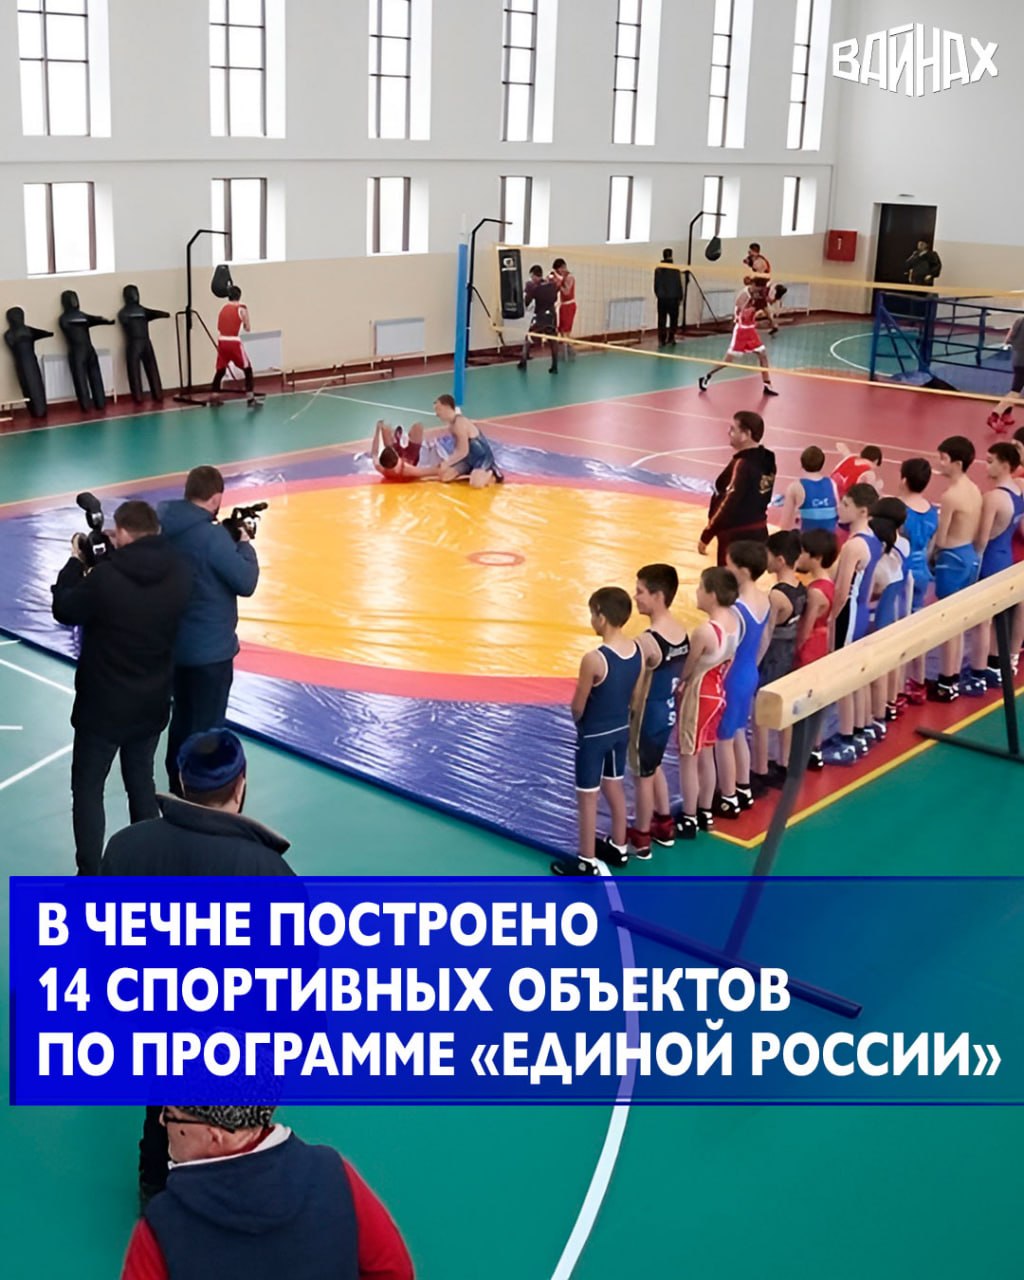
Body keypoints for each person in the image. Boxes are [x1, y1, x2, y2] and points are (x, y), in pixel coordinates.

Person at [101, 729, 293, 1205]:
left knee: (163, 1104)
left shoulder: (125, 847)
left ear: (182, 781)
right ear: (240, 784)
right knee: (234, 1130)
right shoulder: (272, 876)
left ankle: (155, 1187)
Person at [51, 500, 192, 875]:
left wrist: (77, 562)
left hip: (102, 707)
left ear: (123, 533)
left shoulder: (106, 579)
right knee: (141, 783)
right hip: (152, 701)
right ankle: (147, 867)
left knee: (88, 789)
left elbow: (65, 608)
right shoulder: (180, 571)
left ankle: (90, 874)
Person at [120, 1104, 414, 1280]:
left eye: (171, 1114)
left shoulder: (162, 1227)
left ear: (215, 1134)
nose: (162, 1121)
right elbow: (394, 1271)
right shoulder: (335, 1173)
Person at [159, 466, 260, 795]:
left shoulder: (164, 525)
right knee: (207, 729)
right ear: (216, 498)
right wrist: (244, 545)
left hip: (176, 645)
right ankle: (203, 795)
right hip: (210, 652)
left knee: (182, 718)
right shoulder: (212, 538)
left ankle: (177, 786)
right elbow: (245, 582)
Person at [552, 587, 642, 877]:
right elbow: (635, 697)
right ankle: (619, 845)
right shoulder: (637, 651)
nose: (591, 620)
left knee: (587, 796)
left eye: (592, 614)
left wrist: (580, 724)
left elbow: (578, 705)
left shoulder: (594, 659)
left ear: (601, 617)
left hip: (594, 735)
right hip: (620, 729)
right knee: (614, 785)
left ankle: (586, 860)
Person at [626, 564, 689, 858]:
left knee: (642, 776)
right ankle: (663, 823)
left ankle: (641, 836)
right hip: (667, 711)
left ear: (658, 596)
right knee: (655, 766)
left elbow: (634, 686)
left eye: (640, 591)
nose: (635, 597)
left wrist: (625, 712)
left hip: (647, 715)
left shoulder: (647, 641)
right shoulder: (681, 632)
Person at [675, 567, 740, 839]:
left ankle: (689, 817)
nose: (697, 593)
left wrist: (680, 686)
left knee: (688, 757)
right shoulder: (735, 622)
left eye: (700, 588)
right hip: (718, 692)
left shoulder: (705, 631)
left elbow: (688, 669)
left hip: (700, 695)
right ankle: (705, 811)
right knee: (707, 752)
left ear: (712, 594)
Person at [714, 540, 772, 817]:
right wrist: (752, 666)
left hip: (733, 675)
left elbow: (726, 648)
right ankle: (744, 787)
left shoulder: (736, 608)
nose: (726, 570)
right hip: (750, 671)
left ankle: (728, 796)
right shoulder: (765, 599)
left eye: (729, 565)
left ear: (744, 571)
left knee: (723, 737)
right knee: (739, 730)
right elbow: (765, 638)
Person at [829, 483, 883, 762]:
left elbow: (841, 589)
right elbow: (870, 583)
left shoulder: (853, 545)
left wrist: (831, 618)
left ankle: (847, 739)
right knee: (858, 673)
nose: (840, 507)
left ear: (862, 511)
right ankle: (861, 729)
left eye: (846, 505)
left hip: (848, 612)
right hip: (860, 610)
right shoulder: (873, 539)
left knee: (844, 676)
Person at [750, 530, 806, 791]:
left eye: (768, 555)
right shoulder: (801, 589)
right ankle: (784, 762)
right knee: (786, 711)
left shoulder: (776, 595)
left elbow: (767, 633)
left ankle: (761, 769)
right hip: (788, 653)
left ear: (780, 560)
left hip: (772, 656)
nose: (766, 560)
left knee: (760, 715)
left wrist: (754, 663)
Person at [967, 442, 1024, 688]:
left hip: (990, 558)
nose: (986, 466)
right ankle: (996, 664)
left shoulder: (993, 498)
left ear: (1005, 465)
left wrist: (972, 563)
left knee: (983, 620)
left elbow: (982, 538)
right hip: (1006, 557)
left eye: (991, 462)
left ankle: (978, 673)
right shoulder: (1019, 492)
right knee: (999, 616)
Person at [931, 435, 983, 702]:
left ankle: (946, 680)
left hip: (951, 559)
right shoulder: (974, 489)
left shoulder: (950, 496)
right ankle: (952, 676)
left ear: (957, 463)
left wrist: (931, 554)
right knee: (960, 621)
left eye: (943, 459)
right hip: (969, 555)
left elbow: (941, 538)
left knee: (948, 622)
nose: (939, 463)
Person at [698, 410, 777, 565]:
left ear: (746, 434)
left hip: (736, 538)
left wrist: (708, 533)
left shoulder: (742, 464)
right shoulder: (768, 460)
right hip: (759, 533)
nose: (729, 432)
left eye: (733, 429)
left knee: (728, 578)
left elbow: (729, 502)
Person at [794, 528, 838, 770]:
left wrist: (796, 649)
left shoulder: (815, 591)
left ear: (816, 557)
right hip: (822, 642)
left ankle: (804, 749)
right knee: (816, 700)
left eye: (803, 552)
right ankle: (815, 747)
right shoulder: (829, 583)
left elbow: (806, 627)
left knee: (803, 700)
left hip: (810, 647)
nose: (800, 556)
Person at [898, 456, 940, 704]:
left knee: (899, 628)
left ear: (904, 479)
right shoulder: (931, 510)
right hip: (922, 570)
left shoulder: (899, 509)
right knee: (918, 623)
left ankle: (897, 687)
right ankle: (919, 680)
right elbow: (932, 545)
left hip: (904, 572)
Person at [868, 497, 911, 723]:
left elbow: (873, 589)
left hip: (878, 616)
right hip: (896, 609)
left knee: (876, 669)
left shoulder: (878, 559)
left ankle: (876, 714)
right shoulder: (904, 545)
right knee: (894, 659)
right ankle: (891, 701)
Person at [697, 291, 779, 396]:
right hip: (741, 332)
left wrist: (770, 321)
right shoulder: (745, 297)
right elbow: (743, 315)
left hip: (751, 332)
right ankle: (707, 376)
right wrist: (756, 313)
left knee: (763, 355)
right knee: (727, 361)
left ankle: (767, 385)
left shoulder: (760, 300)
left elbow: (766, 307)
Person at [434, 394, 504, 485]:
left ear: (447, 407)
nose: (437, 414)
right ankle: (471, 472)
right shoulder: (451, 425)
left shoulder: (459, 423)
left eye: (438, 410)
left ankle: (492, 473)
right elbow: (458, 449)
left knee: (476, 484)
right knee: (445, 477)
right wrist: (449, 463)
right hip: (467, 459)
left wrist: (447, 462)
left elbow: (463, 451)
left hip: (481, 458)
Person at [211, 284, 259, 406]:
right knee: (247, 368)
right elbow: (247, 328)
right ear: (239, 296)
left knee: (220, 369)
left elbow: (219, 327)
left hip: (222, 341)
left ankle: (214, 396)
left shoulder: (223, 309)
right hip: (233, 342)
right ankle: (250, 398)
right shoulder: (242, 308)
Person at [778, 445, 839, 532]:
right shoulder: (832, 484)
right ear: (822, 464)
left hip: (807, 537)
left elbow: (785, 523)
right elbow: (838, 512)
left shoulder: (795, 487)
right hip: (829, 537)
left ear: (802, 463)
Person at [518, 264, 560, 373]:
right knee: (553, 340)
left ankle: (523, 361)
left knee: (528, 338)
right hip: (551, 316)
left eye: (532, 277)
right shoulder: (552, 285)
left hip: (540, 317)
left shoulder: (533, 287)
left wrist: (527, 292)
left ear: (535, 276)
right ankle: (555, 365)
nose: (531, 279)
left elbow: (527, 302)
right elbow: (555, 298)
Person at [371, 419, 440, 483]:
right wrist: (442, 467)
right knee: (418, 426)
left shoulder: (380, 467)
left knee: (385, 428)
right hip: (411, 458)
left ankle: (396, 439)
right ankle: (398, 439)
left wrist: (378, 430)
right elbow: (428, 472)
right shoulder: (406, 469)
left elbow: (374, 452)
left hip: (396, 463)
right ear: (396, 455)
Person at [988, 312, 1024, 432]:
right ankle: (995, 414)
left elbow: (1008, 339)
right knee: (1015, 391)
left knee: (1016, 389)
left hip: (1017, 359)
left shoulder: (1019, 320)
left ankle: (1006, 414)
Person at [653, 248, 684, 346]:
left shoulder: (658, 270)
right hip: (673, 298)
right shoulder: (675, 269)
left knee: (661, 320)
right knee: (673, 320)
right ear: (671, 255)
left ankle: (661, 340)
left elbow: (656, 285)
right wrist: (680, 297)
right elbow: (679, 284)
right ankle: (671, 338)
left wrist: (659, 295)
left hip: (662, 298)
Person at [552, 257, 577, 361]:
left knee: (566, 331)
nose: (558, 273)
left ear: (562, 268)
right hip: (563, 305)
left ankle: (571, 352)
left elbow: (566, 292)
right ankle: (567, 351)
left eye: (558, 271)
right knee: (561, 330)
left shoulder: (570, 277)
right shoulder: (562, 277)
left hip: (569, 305)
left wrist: (559, 283)